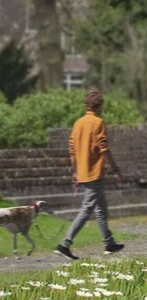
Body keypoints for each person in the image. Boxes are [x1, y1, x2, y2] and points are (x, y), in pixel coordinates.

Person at [57, 90, 123, 261]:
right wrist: (115, 169)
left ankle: (109, 243)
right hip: (94, 173)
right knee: (87, 210)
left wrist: (75, 171)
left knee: (101, 209)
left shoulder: (78, 123)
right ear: (99, 105)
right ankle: (65, 244)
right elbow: (104, 148)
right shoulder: (98, 123)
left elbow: (72, 149)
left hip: (83, 172)